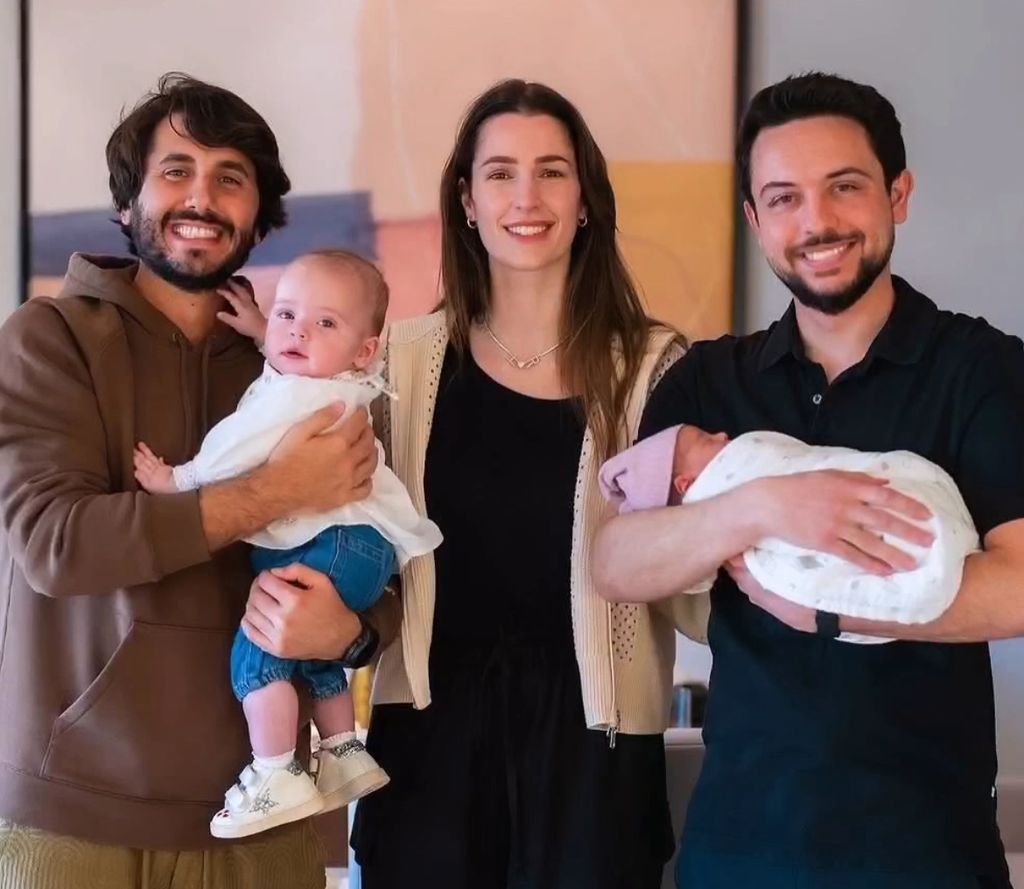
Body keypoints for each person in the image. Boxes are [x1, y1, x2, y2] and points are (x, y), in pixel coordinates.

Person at [253, 79, 709, 888]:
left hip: (595, 753)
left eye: (551, 171)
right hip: (428, 744)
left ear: (586, 198)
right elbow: (347, 536)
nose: (525, 196)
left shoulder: (654, 366)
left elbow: (692, 577)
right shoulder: (400, 361)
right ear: (466, 200)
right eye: (499, 172)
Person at [593, 72, 1024, 889]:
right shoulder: (710, 384)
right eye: (783, 198)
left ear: (898, 194)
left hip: (927, 855)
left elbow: (1020, 584)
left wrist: (828, 610)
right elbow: (618, 562)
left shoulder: (984, 370)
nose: (816, 221)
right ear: (755, 221)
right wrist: (763, 505)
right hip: (740, 850)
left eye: (845, 187)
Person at [0, 74, 400, 889]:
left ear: (258, 215)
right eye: (175, 169)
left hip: (267, 816)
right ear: (129, 201)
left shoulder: (306, 366)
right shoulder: (52, 338)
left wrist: (350, 636)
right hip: (74, 815)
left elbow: (376, 557)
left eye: (230, 177)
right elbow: (54, 543)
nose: (201, 196)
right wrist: (273, 491)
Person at [133, 249, 442, 838]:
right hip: (361, 550)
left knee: (261, 648)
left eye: (324, 322)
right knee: (313, 650)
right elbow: (290, 354)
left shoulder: (294, 399)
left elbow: (239, 443)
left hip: (328, 542)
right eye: (285, 313)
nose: (297, 330)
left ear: (364, 350)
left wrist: (180, 480)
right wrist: (261, 330)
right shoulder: (342, 381)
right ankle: (345, 753)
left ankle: (274, 772)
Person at [599, 424, 978, 637]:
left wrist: (825, 617)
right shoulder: (703, 373)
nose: (721, 434)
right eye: (704, 440)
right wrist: (761, 506)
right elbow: (610, 567)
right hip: (750, 763)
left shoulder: (976, 360)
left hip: (928, 762)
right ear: (684, 485)